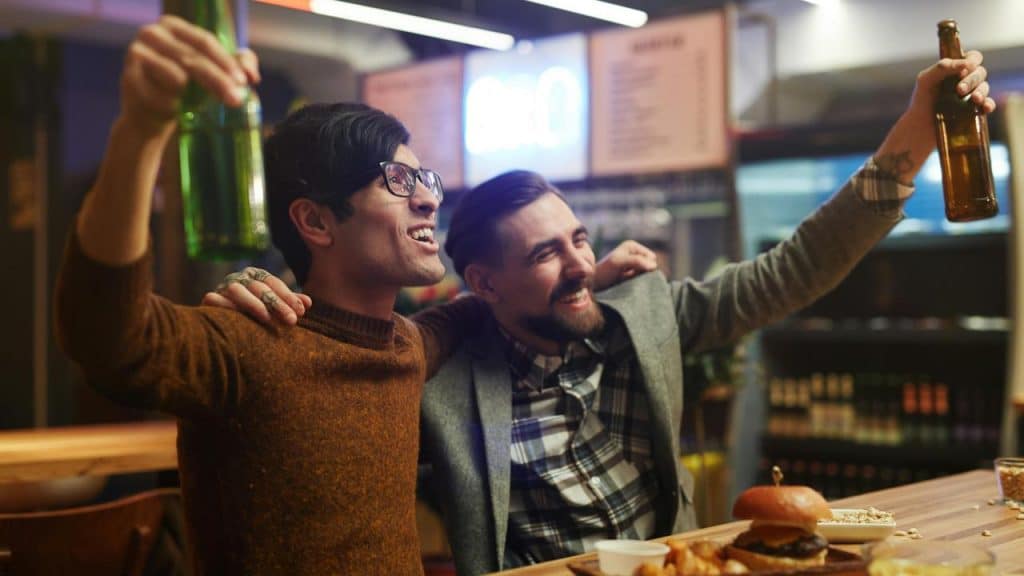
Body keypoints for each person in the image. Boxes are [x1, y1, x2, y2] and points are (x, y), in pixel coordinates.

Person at [210, 50, 997, 575]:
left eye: (578, 239)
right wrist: (273, 284)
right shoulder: (441, 372)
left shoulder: (641, 317)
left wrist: (915, 135)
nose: (582, 264)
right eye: (546, 255)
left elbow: (796, 268)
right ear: (483, 284)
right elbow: (344, 348)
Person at [53, 16, 656, 575]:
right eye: (397, 180)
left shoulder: (406, 346)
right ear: (315, 223)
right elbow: (110, 334)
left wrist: (582, 277)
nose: (428, 198)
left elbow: (478, 306)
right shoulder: (249, 341)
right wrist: (140, 130)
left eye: (424, 178)